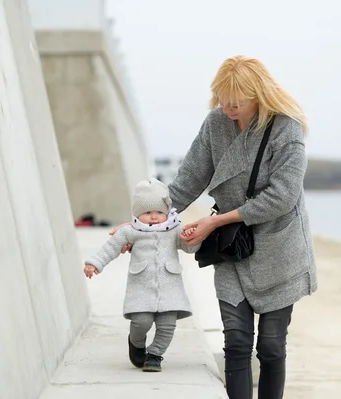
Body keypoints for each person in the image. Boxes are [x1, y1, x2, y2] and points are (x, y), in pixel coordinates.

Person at [113, 56, 317, 399]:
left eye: (235, 102)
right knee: (236, 342)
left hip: (280, 249)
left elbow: (283, 197)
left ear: (258, 95)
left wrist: (215, 221)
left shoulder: (287, 129)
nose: (227, 108)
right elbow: (186, 183)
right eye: (222, 100)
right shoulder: (216, 124)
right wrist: (142, 225)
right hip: (233, 251)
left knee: (270, 346)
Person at [83, 177, 200, 372]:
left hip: (170, 287)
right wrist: (95, 263)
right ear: (137, 213)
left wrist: (192, 238)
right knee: (141, 321)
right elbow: (111, 248)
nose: (154, 217)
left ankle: (155, 355)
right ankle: (136, 343)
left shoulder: (175, 229)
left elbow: (189, 248)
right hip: (141, 287)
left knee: (167, 326)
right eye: (147, 212)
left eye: (159, 212)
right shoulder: (131, 231)